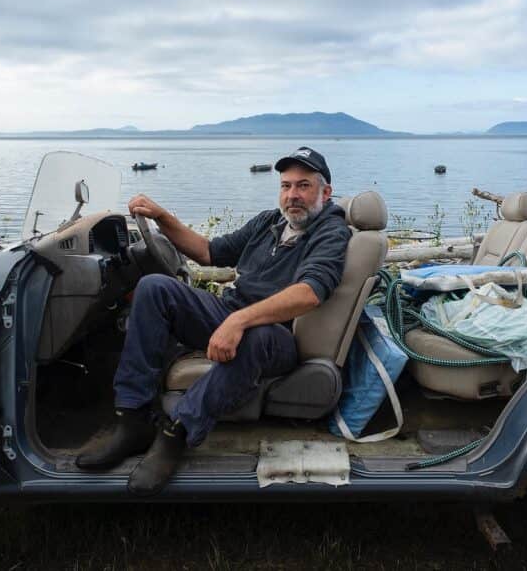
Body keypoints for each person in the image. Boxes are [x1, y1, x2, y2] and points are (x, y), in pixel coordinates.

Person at [76, 146, 352, 495]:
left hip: (278, 335)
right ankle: (133, 418)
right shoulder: (270, 222)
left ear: (325, 193)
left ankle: (177, 432)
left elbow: (310, 292)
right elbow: (209, 252)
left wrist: (238, 321)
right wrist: (163, 217)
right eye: (286, 186)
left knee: (256, 334)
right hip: (232, 312)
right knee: (154, 287)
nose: (292, 195)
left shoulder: (331, 232)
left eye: (303, 186)